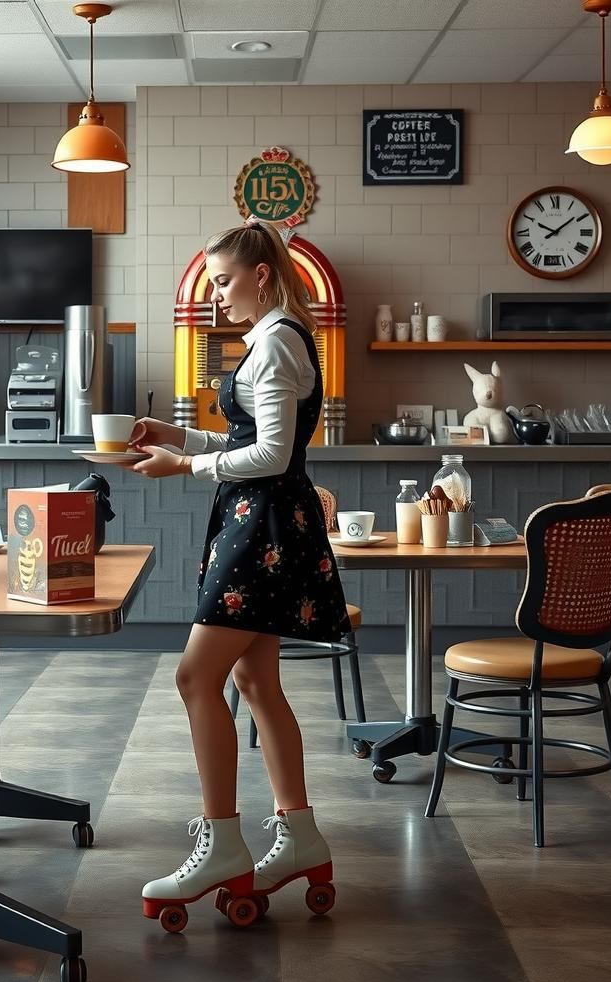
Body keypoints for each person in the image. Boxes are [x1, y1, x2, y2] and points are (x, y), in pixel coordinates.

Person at [128, 219, 350, 922]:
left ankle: (223, 842)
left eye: (224, 281)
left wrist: (185, 466)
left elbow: (273, 456)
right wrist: (175, 436)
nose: (217, 294)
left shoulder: (277, 342)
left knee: (196, 677)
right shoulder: (272, 338)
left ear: (261, 275)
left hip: (265, 528)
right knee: (255, 681)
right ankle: (300, 835)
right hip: (260, 521)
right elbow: (246, 437)